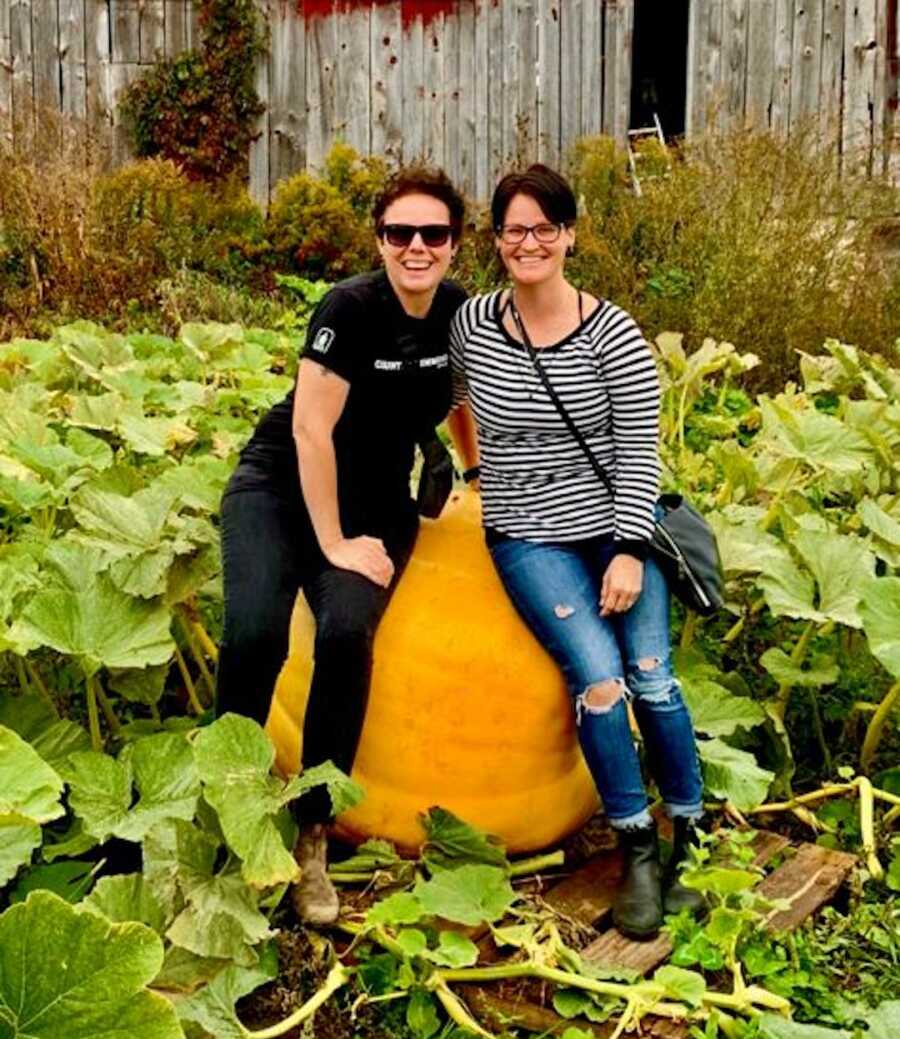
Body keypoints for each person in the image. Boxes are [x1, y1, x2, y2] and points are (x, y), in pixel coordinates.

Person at [447, 164, 704, 940]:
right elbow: (458, 400)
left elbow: (637, 453)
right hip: (527, 536)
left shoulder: (613, 333)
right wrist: (473, 471)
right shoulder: (475, 325)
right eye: (514, 230)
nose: (530, 242)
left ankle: (688, 834)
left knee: (653, 677)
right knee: (598, 679)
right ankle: (637, 848)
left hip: (617, 530)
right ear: (497, 242)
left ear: (569, 235)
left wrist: (628, 550)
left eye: (544, 227)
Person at [216, 167, 466, 924]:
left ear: (455, 244)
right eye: (400, 233)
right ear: (380, 240)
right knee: (256, 634)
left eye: (434, 233)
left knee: (347, 633)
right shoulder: (348, 309)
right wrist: (332, 542)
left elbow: (462, 394)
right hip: (280, 490)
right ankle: (226, 804)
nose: (416, 247)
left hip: (378, 501)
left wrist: (475, 469)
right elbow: (309, 430)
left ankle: (313, 834)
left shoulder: (460, 314)